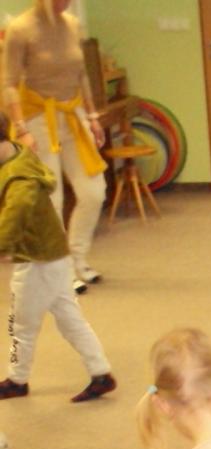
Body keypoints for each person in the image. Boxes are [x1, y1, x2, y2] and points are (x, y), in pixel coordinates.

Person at [0, 110, 115, 402]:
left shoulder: (19, 180)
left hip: (37, 259)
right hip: (54, 254)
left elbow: (13, 216)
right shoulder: (17, 155)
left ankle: (17, 379)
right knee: (69, 318)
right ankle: (101, 373)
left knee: (21, 323)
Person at [2, 0, 108, 294]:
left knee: (94, 191)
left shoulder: (72, 25)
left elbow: (81, 74)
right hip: (36, 119)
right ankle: (61, 271)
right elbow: (8, 83)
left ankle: (78, 257)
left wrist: (93, 117)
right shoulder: (20, 29)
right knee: (52, 199)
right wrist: (21, 129)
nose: (67, 2)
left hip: (73, 115)